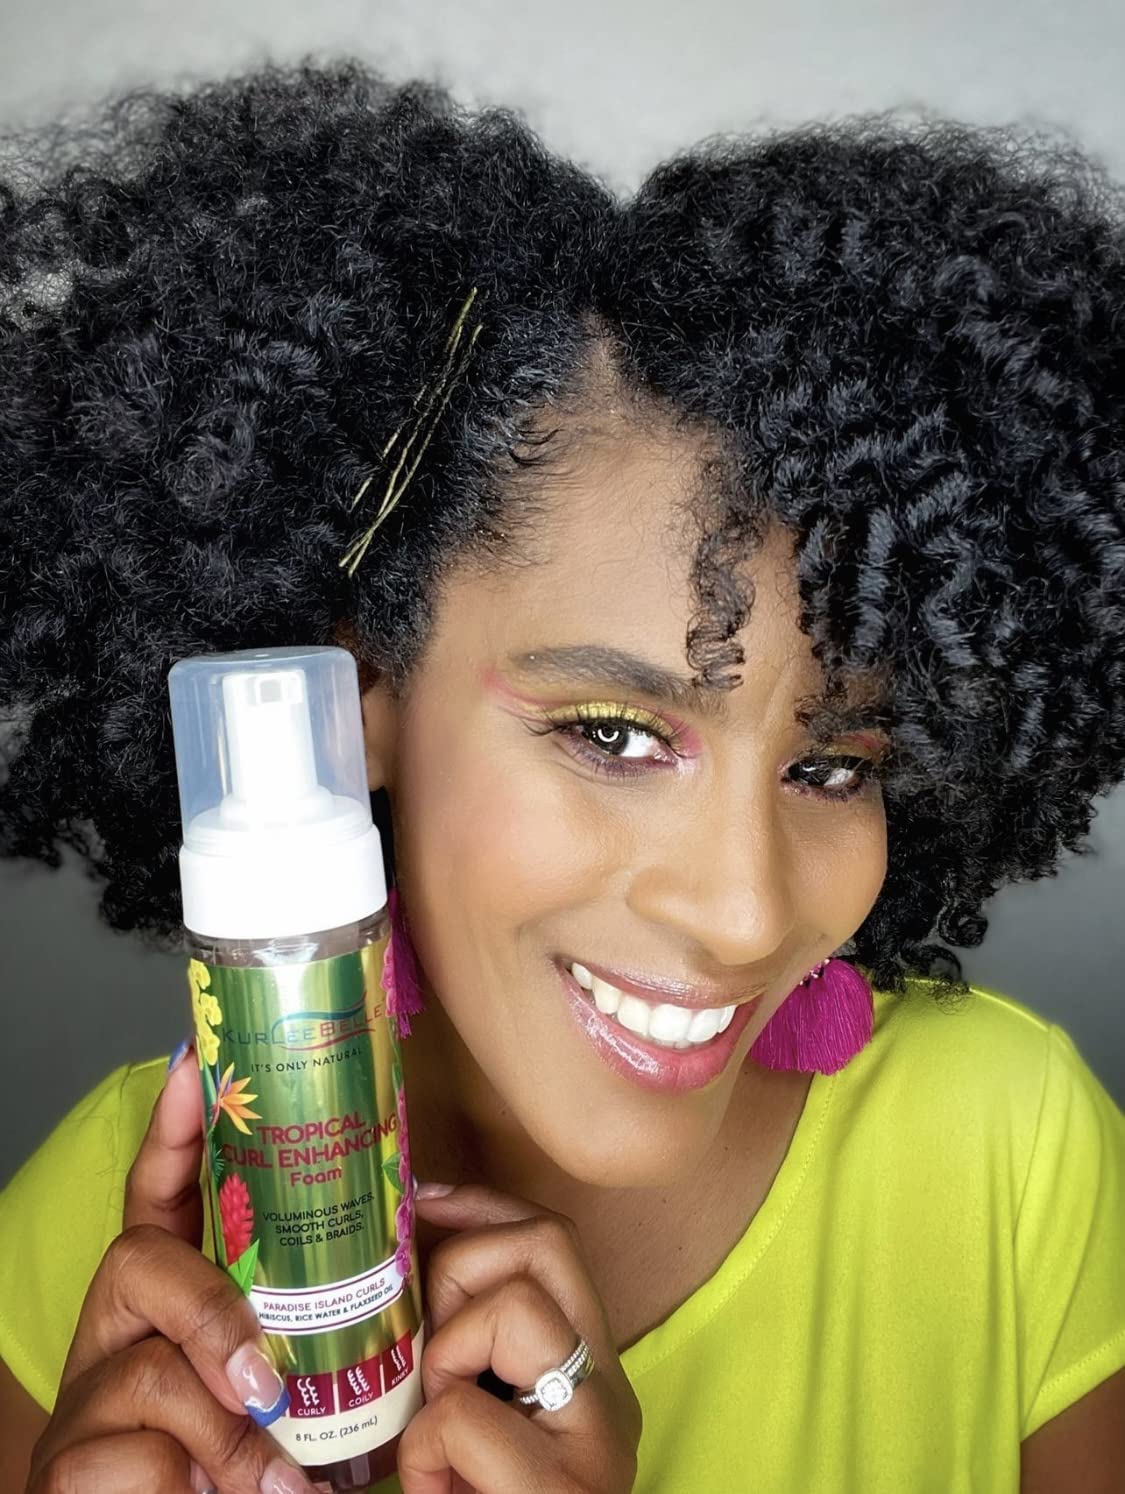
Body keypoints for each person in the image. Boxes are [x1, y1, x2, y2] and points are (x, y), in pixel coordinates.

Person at [0, 61, 1123, 1494]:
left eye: (831, 764)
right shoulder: (102, 1242)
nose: (742, 911)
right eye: (614, 732)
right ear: (362, 697)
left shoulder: (1009, 1152)